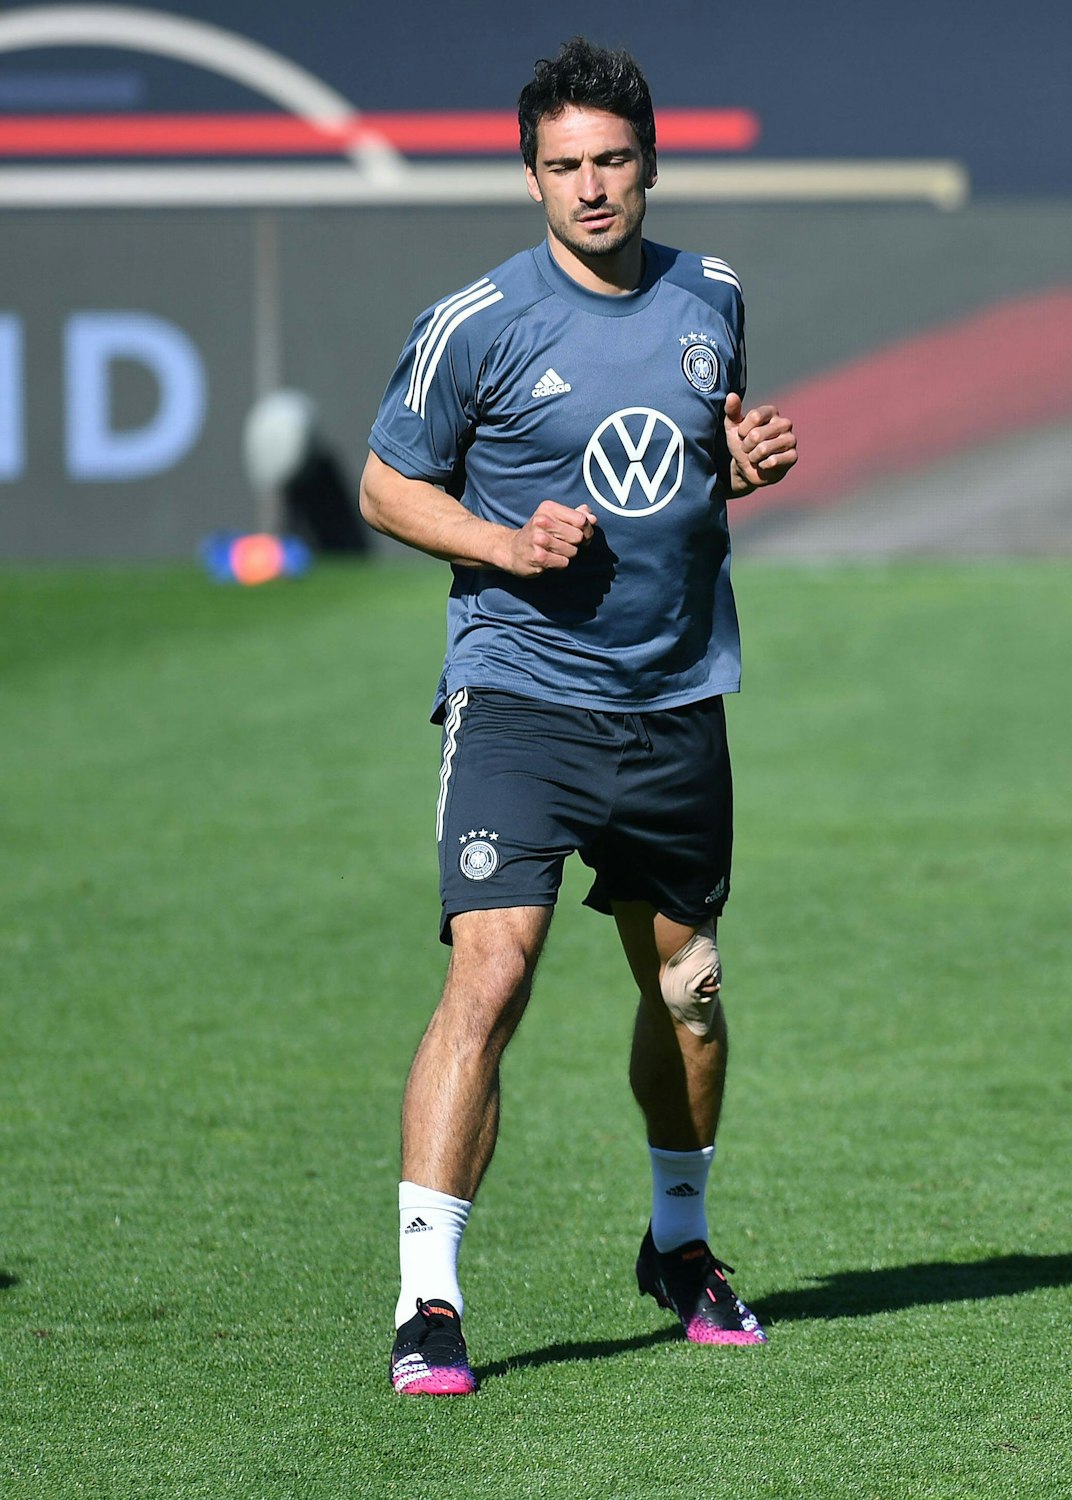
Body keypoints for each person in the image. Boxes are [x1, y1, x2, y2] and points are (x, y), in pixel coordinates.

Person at [358, 37, 798, 1395]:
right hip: (524, 697)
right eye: (566, 167)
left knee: (689, 991)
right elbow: (384, 486)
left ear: (651, 164)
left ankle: (680, 1245)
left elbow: (701, 448)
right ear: (531, 175)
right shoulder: (477, 322)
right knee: (491, 972)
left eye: (613, 162)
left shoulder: (711, 293)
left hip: (675, 697)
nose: (593, 188)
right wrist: (501, 540)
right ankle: (428, 1296)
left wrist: (744, 461)